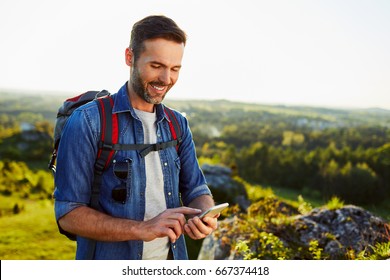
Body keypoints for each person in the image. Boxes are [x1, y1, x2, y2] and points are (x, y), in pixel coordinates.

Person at [54, 15, 218, 260]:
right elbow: (68, 214)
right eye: (156, 66)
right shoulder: (88, 121)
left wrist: (204, 213)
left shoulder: (178, 124)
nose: (166, 79)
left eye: (175, 69)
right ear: (129, 57)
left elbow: (196, 188)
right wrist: (142, 229)